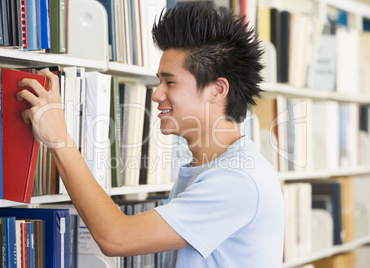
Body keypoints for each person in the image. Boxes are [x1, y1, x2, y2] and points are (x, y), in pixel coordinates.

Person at [17, 2, 285, 267]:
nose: (156, 94)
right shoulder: (210, 169)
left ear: (217, 90)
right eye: (159, 81)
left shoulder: (237, 180)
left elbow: (117, 238)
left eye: (170, 82)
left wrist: (59, 138)